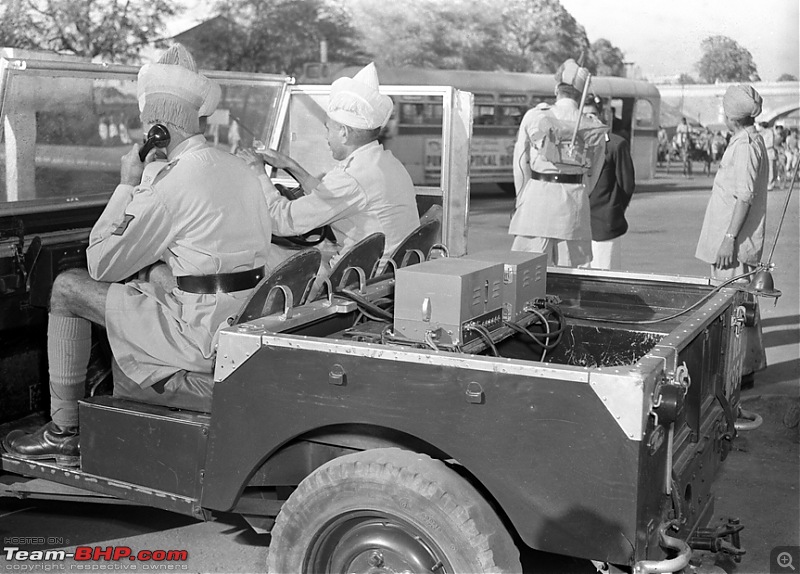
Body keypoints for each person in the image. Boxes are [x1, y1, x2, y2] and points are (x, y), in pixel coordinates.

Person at [2, 44, 273, 465]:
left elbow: (102, 263)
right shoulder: (237, 169)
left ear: (159, 128)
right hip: (241, 316)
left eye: (146, 122)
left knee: (68, 287)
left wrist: (128, 183)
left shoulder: (169, 185)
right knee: (150, 276)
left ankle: (64, 430)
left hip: (199, 338)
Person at [240, 62, 420, 273]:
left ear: (344, 132)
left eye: (328, 129)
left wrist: (258, 172)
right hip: (382, 271)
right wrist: (290, 166)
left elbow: (283, 222)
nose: (326, 137)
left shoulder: (352, 177)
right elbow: (334, 198)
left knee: (256, 252)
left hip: (355, 278)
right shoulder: (384, 162)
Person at [695, 84, 768, 386]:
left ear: (732, 116)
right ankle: (744, 370)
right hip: (738, 240)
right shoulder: (749, 140)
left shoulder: (744, 146)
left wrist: (728, 238)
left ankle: (734, 372)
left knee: (731, 308)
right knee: (742, 304)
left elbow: (744, 196)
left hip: (734, 244)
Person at [508, 58, 607, 267]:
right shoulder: (594, 127)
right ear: (581, 95)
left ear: (556, 89)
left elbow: (521, 165)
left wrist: (522, 197)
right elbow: (594, 174)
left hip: (536, 202)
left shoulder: (534, 116)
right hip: (574, 205)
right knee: (570, 280)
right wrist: (579, 192)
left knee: (526, 276)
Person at [582, 98, 635, 270]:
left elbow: (626, 185)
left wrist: (614, 208)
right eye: (584, 115)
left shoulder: (615, 145)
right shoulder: (574, 145)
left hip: (605, 226)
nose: (589, 119)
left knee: (604, 276)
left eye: (593, 114)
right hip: (578, 226)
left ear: (601, 116)